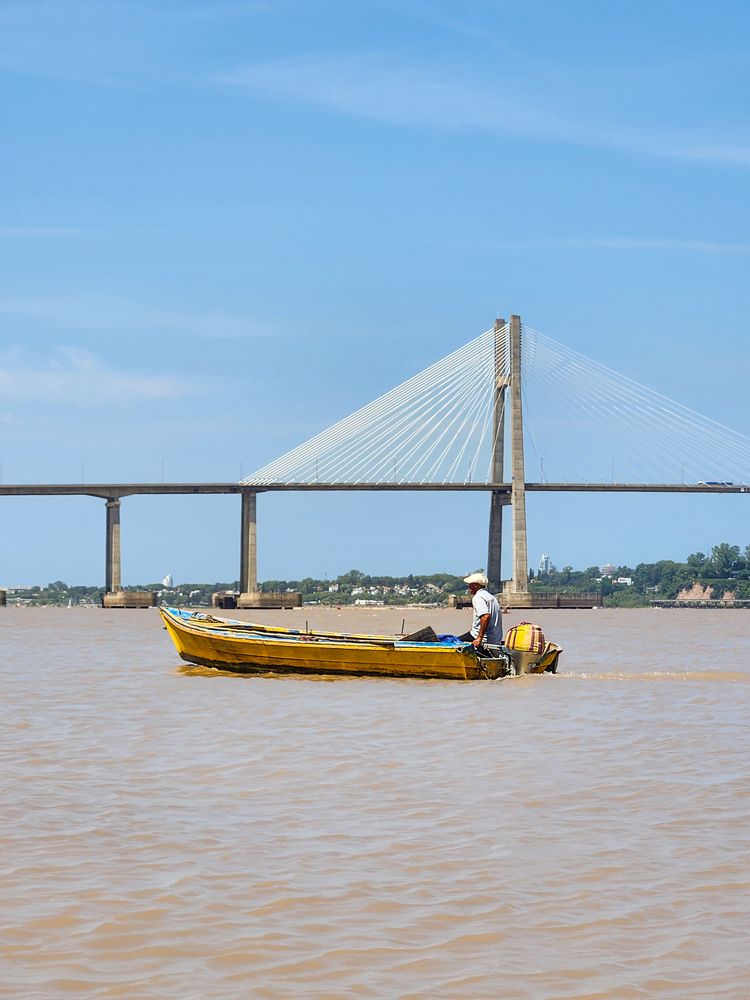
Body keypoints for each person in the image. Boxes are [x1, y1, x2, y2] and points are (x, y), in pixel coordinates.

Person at [459, 572, 503, 648]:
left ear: (476, 585)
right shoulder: (491, 597)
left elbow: (485, 616)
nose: (468, 587)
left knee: (453, 643)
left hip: (483, 639)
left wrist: (479, 638)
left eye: (469, 585)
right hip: (495, 639)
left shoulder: (478, 597)